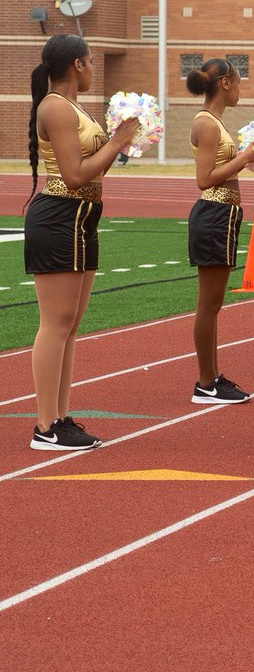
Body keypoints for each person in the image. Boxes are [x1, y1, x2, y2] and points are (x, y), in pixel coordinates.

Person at [24, 34, 140, 450]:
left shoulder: (74, 107)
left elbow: (94, 169)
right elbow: (74, 175)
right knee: (55, 324)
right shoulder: (55, 106)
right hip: (59, 215)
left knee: (70, 326)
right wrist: (117, 141)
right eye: (91, 62)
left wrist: (121, 144)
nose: (93, 69)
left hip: (83, 217)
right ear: (77, 64)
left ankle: (60, 417)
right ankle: (44, 426)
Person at [186, 58, 254, 405]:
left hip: (223, 215)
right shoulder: (206, 124)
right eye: (238, 80)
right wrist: (245, 158)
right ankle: (206, 382)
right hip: (214, 213)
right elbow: (204, 180)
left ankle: (212, 377)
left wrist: (248, 158)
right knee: (209, 304)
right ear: (224, 84)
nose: (241, 88)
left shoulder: (215, 122)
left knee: (214, 304)